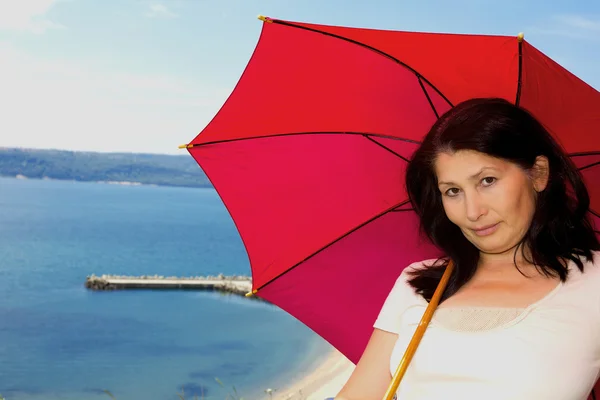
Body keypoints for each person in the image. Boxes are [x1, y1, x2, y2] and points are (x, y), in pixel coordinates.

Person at [335, 97, 600, 400]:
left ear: (538, 174)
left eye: (487, 180)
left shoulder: (594, 280)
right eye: (453, 191)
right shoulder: (421, 283)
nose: (472, 211)